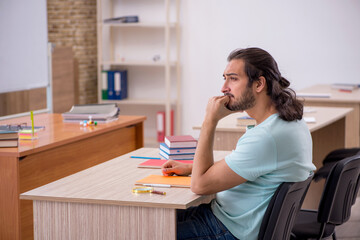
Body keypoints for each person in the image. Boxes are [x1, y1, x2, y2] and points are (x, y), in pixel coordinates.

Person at [161, 47, 316, 240]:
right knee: (154, 220)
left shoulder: (266, 137)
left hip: (229, 229)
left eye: (233, 78)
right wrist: (191, 167)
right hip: (232, 220)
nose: (224, 88)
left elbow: (199, 186)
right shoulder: (289, 122)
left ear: (259, 84)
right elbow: (247, 165)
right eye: (224, 78)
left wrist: (210, 120)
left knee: (144, 230)